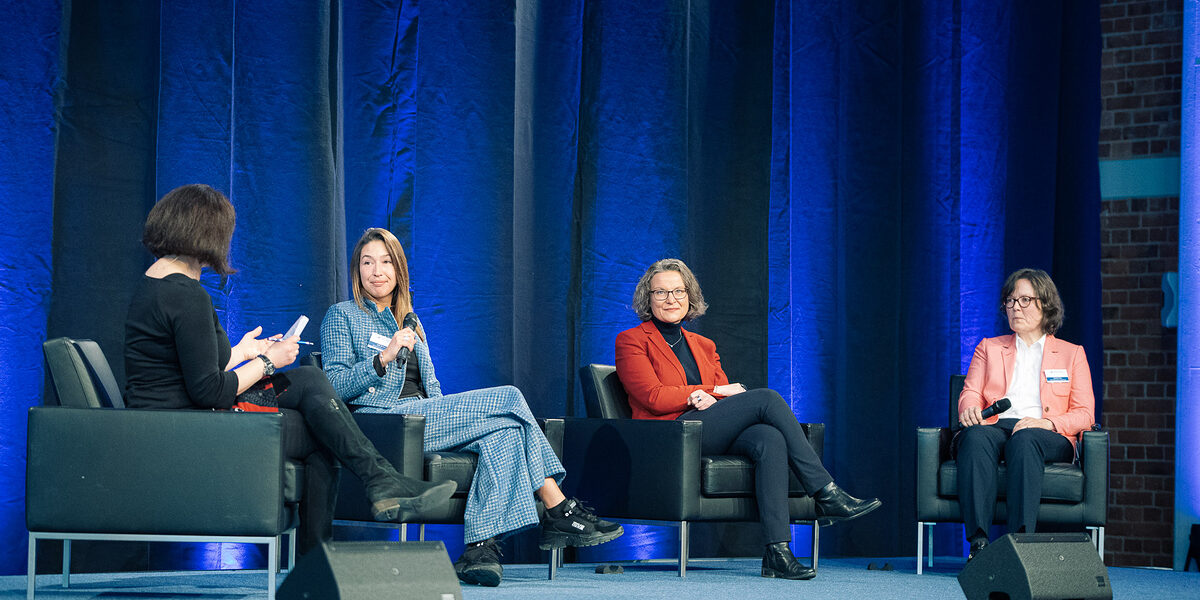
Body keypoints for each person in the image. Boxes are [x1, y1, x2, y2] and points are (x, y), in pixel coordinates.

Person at [123, 184, 455, 555]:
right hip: (189, 424)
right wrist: (268, 362)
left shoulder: (157, 283)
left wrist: (244, 351)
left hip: (176, 412)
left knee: (313, 387)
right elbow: (209, 391)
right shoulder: (186, 294)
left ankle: (372, 493)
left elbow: (185, 364)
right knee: (320, 421)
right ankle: (350, 520)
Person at [320, 228, 623, 587]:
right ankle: (556, 506)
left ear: (399, 270)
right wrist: (382, 357)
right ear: (357, 270)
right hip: (383, 422)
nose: (376, 271)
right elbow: (335, 386)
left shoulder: (412, 322)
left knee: (506, 432)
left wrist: (453, 414)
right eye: (367, 263)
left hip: (426, 416)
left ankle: (479, 550)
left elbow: (432, 390)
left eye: (386, 262)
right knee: (509, 397)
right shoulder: (342, 315)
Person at [615, 258, 881, 581]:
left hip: (708, 428)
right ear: (648, 298)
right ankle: (825, 491)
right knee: (766, 398)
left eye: (678, 291)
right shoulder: (631, 340)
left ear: (690, 296)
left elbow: (727, 397)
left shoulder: (704, 345)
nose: (671, 299)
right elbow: (653, 396)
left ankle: (777, 554)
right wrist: (704, 391)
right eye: (661, 293)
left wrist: (714, 395)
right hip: (671, 437)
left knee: (770, 439)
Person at [955, 268, 1095, 560]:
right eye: (1010, 301)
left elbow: (1085, 414)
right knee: (975, 437)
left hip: (1047, 432)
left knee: (1026, 440)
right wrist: (968, 408)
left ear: (1045, 304)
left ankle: (1020, 547)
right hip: (997, 424)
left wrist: (1047, 422)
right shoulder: (989, 348)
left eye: (1024, 300)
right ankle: (978, 546)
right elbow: (970, 391)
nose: (1015, 307)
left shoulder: (1072, 354)